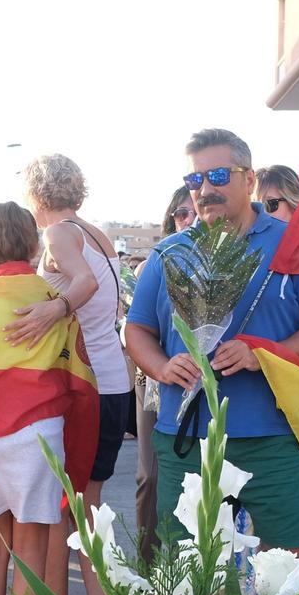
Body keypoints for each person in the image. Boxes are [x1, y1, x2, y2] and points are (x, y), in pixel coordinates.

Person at [123, 128, 299, 562]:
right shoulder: (170, 252)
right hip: (186, 438)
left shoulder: (293, 245)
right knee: (187, 567)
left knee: (288, 564)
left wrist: (263, 353)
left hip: (276, 435)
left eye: (219, 176)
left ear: (250, 179)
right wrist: (160, 366)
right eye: (196, 180)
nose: (205, 190)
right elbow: (137, 329)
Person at [0, 201, 100, 595]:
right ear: (33, 243)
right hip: (38, 437)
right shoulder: (50, 300)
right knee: (30, 545)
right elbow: (81, 384)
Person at [5, 154, 132, 595]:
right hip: (112, 382)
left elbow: (83, 284)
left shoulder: (59, 233)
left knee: (72, 508)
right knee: (85, 505)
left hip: (86, 386)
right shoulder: (95, 234)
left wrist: (53, 310)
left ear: (35, 195)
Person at [133, 183, 201, 561]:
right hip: (156, 381)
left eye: (194, 211)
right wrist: (161, 366)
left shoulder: (224, 263)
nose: (189, 219)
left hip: (206, 384)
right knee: (152, 477)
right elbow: (138, 330)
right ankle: (150, 570)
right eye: (181, 213)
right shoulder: (154, 263)